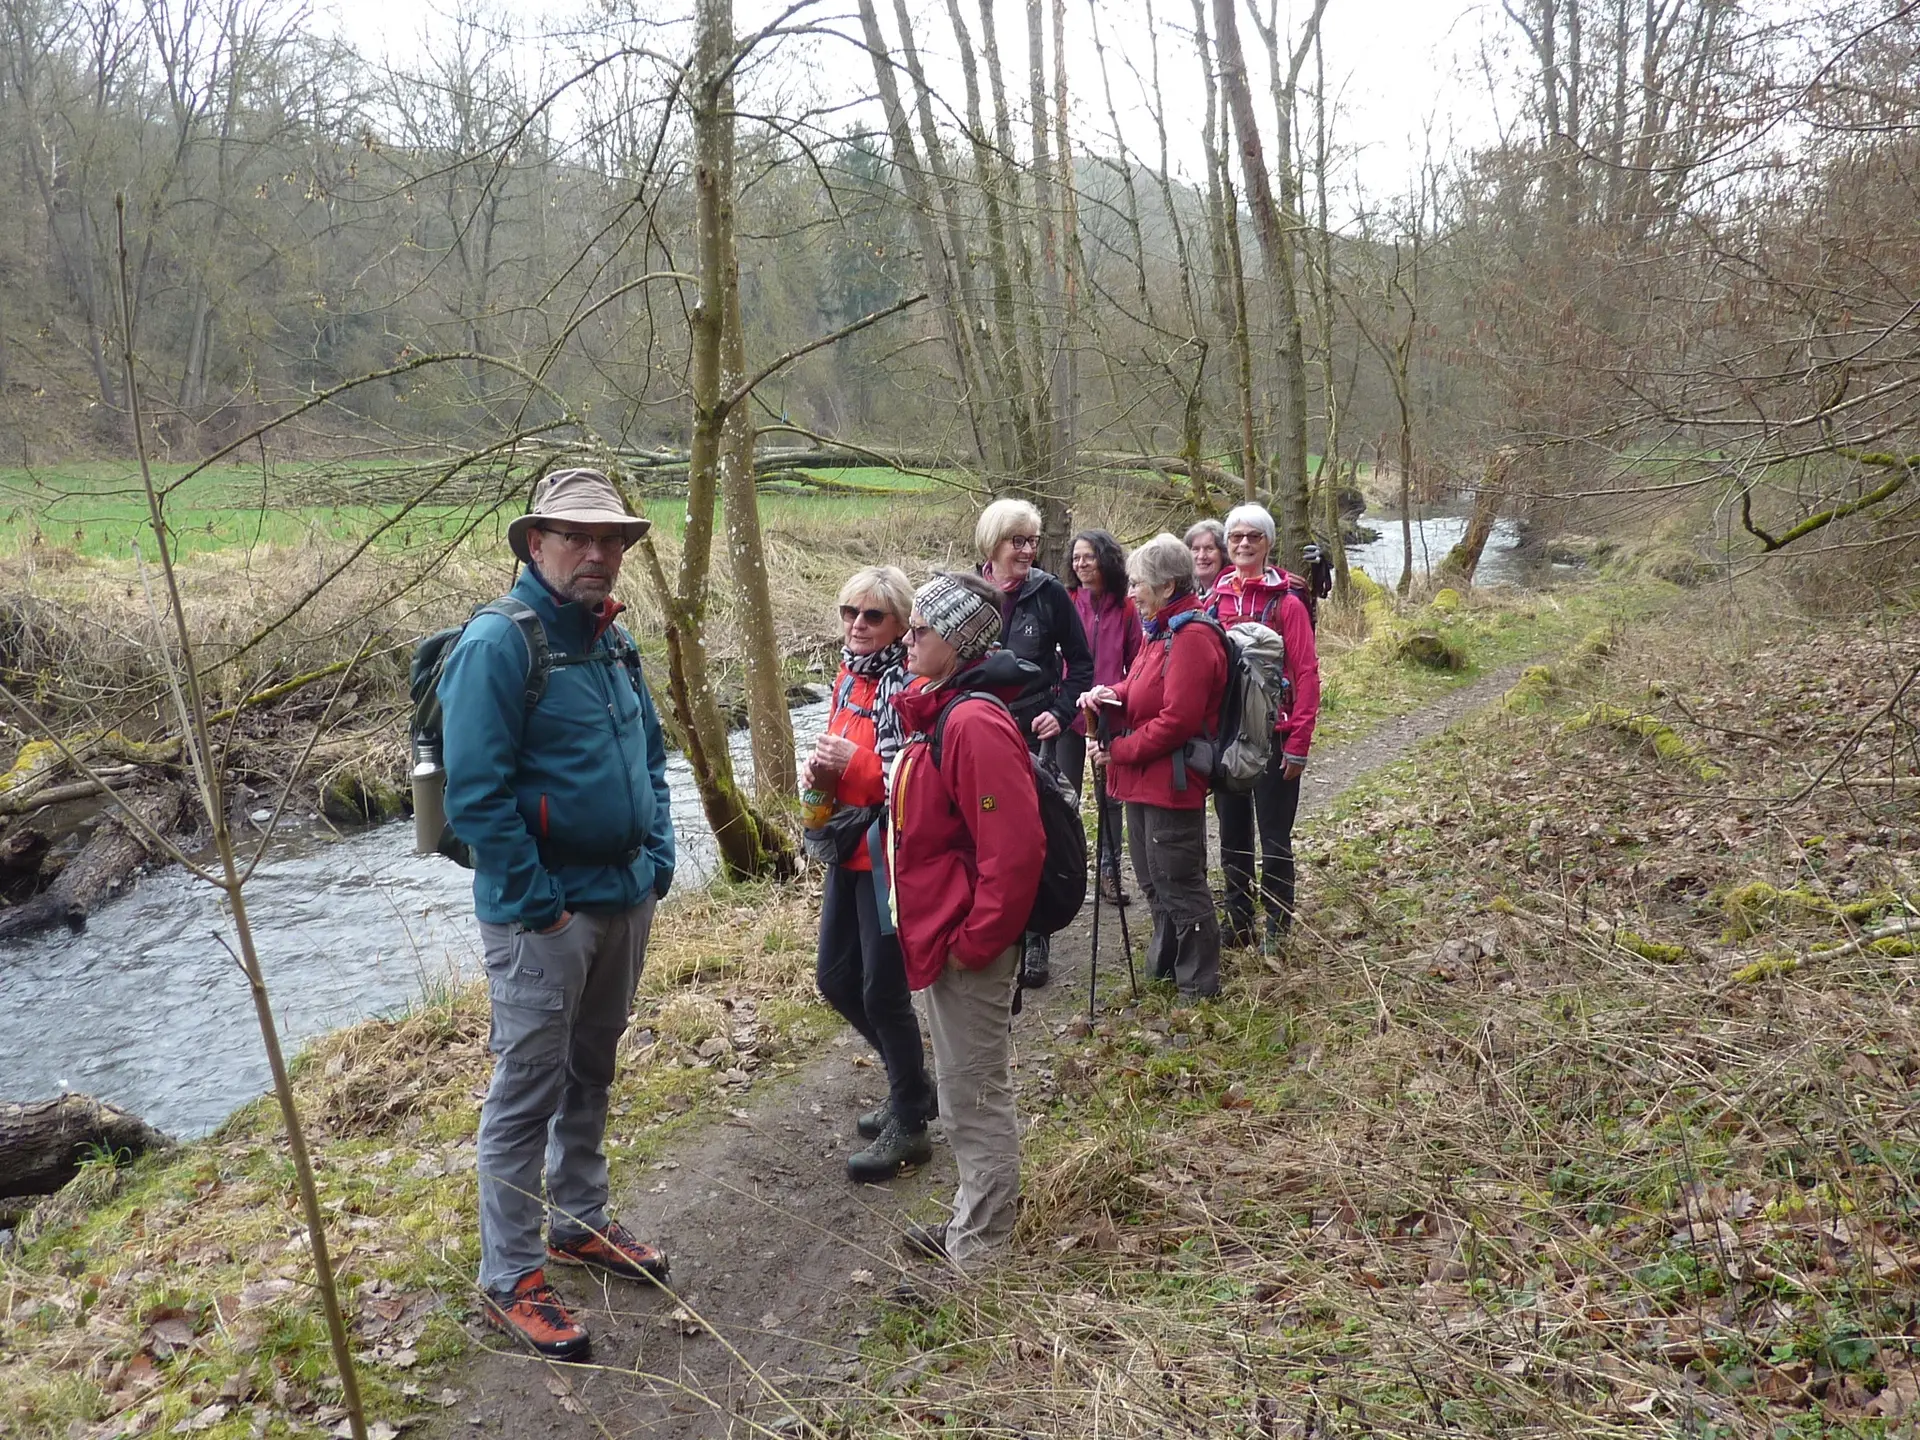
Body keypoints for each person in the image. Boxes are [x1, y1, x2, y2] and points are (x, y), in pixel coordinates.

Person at [439, 468, 675, 1363]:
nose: (597, 553)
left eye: (610, 539)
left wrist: (657, 858)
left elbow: (651, 756)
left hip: (623, 897)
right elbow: (476, 797)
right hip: (544, 917)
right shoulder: (501, 643)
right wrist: (539, 907)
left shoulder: (614, 641)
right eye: (576, 536)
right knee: (526, 1091)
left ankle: (578, 1222)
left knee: (592, 1066)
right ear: (534, 544)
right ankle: (509, 1276)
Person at [888, 571, 1043, 1268]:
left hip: (966, 944)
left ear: (958, 641)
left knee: (975, 1097)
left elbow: (1014, 853)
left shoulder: (973, 722)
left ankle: (982, 1255)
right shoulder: (944, 707)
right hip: (943, 936)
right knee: (960, 1090)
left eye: (921, 629)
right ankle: (968, 1222)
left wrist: (975, 941)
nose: (907, 638)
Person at [803, 566, 937, 1182]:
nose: (857, 624)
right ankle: (912, 1084)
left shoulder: (904, 685)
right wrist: (821, 782)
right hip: (848, 847)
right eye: (849, 612)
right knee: (835, 978)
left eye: (873, 616)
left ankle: (910, 1121)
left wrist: (851, 761)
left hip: (889, 856)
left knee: (883, 989)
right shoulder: (847, 676)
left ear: (901, 624)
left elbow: (911, 780)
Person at [1079, 535, 1228, 999]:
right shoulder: (1161, 630)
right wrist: (1110, 694)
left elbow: (1176, 722)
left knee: (1179, 882)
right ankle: (1164, 968)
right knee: (1151, 881)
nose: (1132, 592)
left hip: (1171, 783)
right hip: (1144, 782)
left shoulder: (1192, 637)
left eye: (1139, 583)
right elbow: (1140, 686)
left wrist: (1118, 750)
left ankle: (1199, 987)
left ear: (1166, 586)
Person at [975, 497, 1092, 989]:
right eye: (1016, 542)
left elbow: (1082, 665)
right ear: (992, 544)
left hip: (1033, 731)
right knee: (986, 829)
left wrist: (1060, 711)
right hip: (979, 732)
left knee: (1034, 833)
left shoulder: (1048, 595)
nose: (1027, 551)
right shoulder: (969, 590)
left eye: (1032, 542)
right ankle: (995, 927)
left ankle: (1037, 932)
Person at [1206, 503, 1321, 954]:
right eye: (1236, 536)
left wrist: (1299, 743)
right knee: (1232, 834)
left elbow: (1307, 672)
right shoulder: (1213, 600)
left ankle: (1277, 923)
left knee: (1273, 836)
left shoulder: (1287, 602)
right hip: (1227, 735)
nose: (1244, 544)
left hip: (1275, 736)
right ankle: (1237, 920)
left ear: (1268, 544)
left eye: (1254, 536)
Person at [1060, 528, 1141, 906]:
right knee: (1064, 796)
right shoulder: (1065, 601)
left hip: (1109, 713)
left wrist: (1124, 704)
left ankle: (1110, 871)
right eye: (1076, 558)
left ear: (1105, 559)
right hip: (1067, 716)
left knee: (1111, 798)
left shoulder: (1125, 607)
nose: (1080, 564)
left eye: (1088, 556)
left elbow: (1137, 659)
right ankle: (1067, 873)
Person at [1186, 518, 1227, 597]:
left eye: (1209, 549)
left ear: (1223, 553)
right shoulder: (1189, 593)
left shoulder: (1229, 592)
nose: (1201, 556)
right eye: (1195, 549)